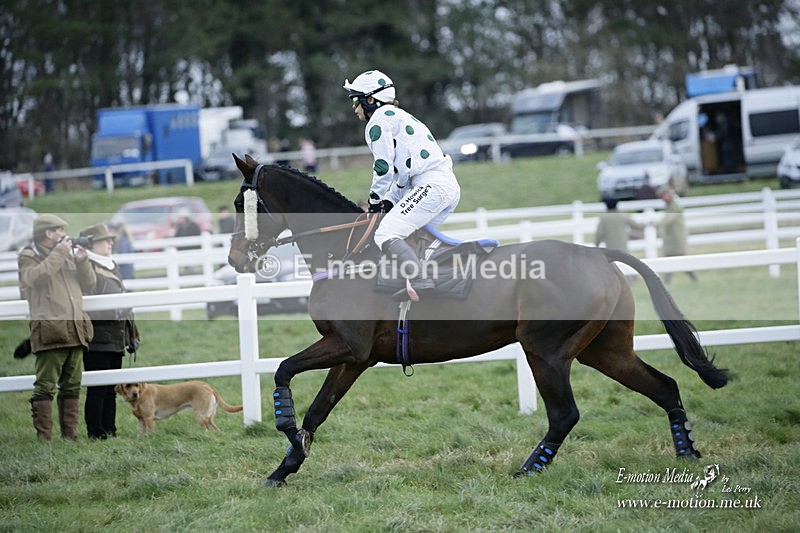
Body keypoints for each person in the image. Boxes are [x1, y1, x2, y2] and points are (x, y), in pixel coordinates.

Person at [343, 69, 461, 301]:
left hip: (432, 186)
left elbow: (383, 169)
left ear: (370, 99)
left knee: (386, 232)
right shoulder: (396, 116)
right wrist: (389, 201)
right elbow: (401, 177)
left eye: (356, 101)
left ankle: (419, 280)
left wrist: (375, 201)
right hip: (440, 186)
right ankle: (432, 283)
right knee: (409, 236)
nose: (355, 109)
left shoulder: (377, 122)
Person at [18, 214, 96, 440]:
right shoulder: (28, 256)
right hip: (51, 331)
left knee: (72, 386)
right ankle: (45, 438)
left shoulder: (66, 255)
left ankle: (69, 436)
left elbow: (90, 286)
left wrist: (82, 261)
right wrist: (61, 253)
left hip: (75, 330)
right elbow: (37, 278)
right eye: (59, 230)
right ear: (47, 233)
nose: (64, 235)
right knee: (45, 387)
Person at [79, 223, 139, 440]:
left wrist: (132, 331)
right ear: (92, 244)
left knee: (111, 388)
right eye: (105, 240)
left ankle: (110, 429)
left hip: (116, 334)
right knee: (98, 389)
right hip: (98, 335)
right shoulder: (87, 266)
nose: (111, 242)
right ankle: (96, 432)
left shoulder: (110, 264)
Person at [656, 187, 697, 283]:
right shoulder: (670, 206)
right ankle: (667, 282)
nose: (663, 198)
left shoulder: (675, 207)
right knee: (670, 260)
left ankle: (693, 279)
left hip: (677, 238)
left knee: (680, 259)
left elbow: (669, 219)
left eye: (663, 196)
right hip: (672, 239)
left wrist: (655, 224)